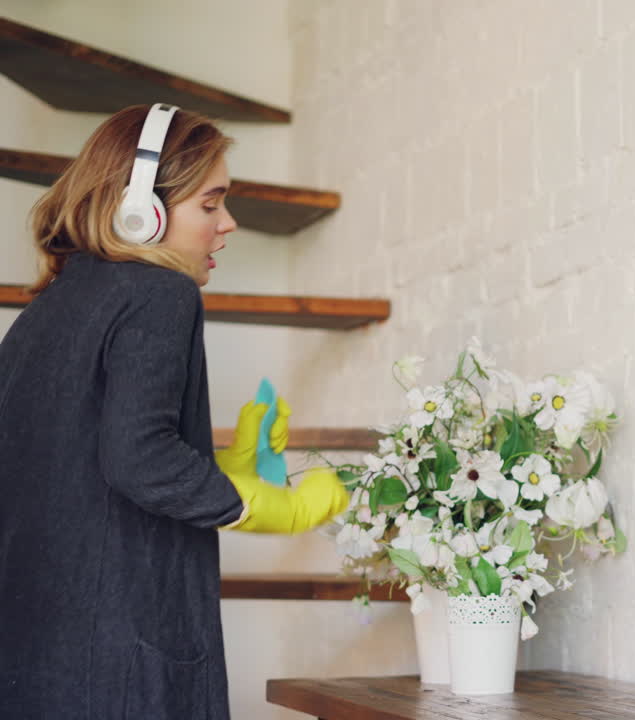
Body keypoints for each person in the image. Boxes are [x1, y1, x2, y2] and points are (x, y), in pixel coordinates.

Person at [0, 104, 350, 719]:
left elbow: (82, 468)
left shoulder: (44, 311)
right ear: (142, 212)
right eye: (210, 204)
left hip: (35, 658)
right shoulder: (160, 291)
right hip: (119, 665)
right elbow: (138, 458)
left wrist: (224, 466)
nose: (228, 224)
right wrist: (268, 506)